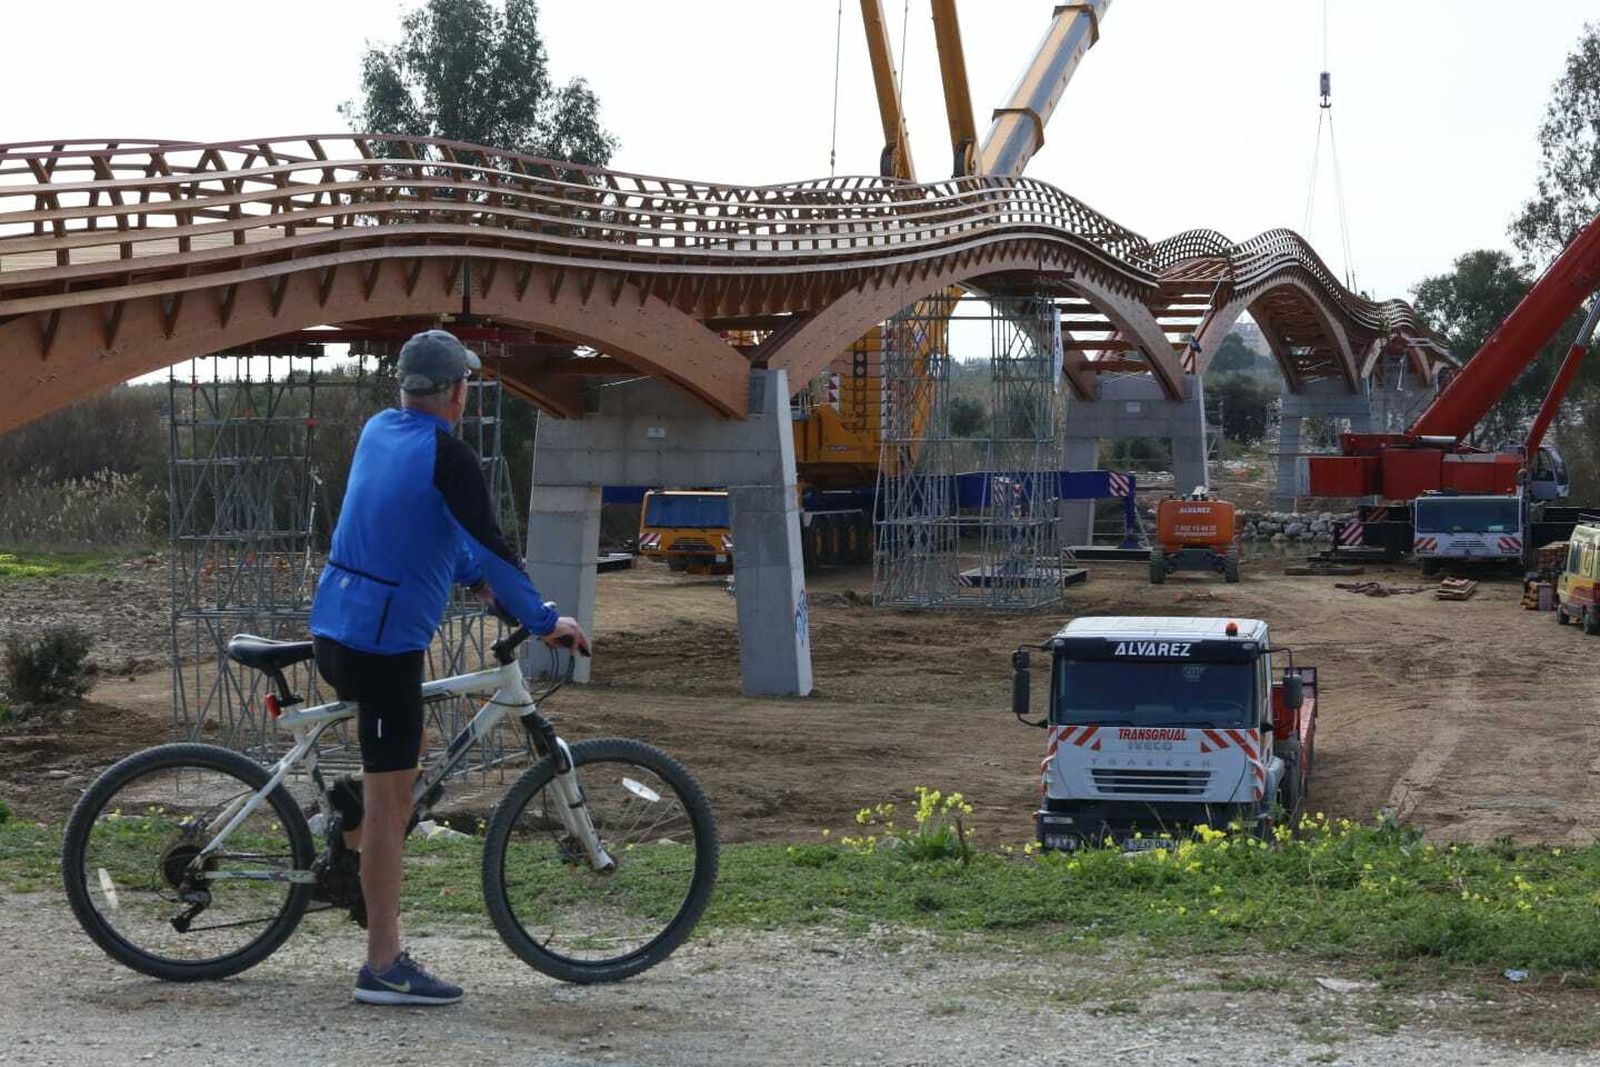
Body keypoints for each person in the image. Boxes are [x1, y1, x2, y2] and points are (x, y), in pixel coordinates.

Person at [309, 328, 590, 1006]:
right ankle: (382, 963)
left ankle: (346, 841)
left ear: (406, 387)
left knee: (412, 755)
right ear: (459, 391)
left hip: (340, 623)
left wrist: (472, 583)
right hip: (381, 647)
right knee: (390, 802)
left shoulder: (380, 428)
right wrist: (546, 618)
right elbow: (493, 547)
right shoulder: (450, 455)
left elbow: (414, 524)